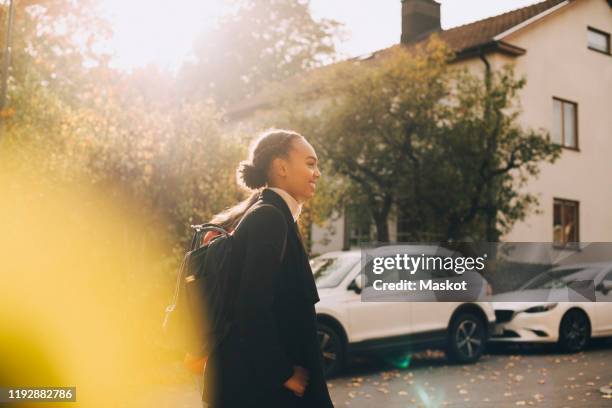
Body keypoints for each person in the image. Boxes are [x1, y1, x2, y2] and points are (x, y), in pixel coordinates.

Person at [192, 128, 333, 408]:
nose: (317, 173)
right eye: (310, 163)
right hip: (260, 389)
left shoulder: (270, 214)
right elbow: (251, 307)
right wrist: (283, 374)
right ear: (281, 167)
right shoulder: (269, 218)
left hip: (255, 385)